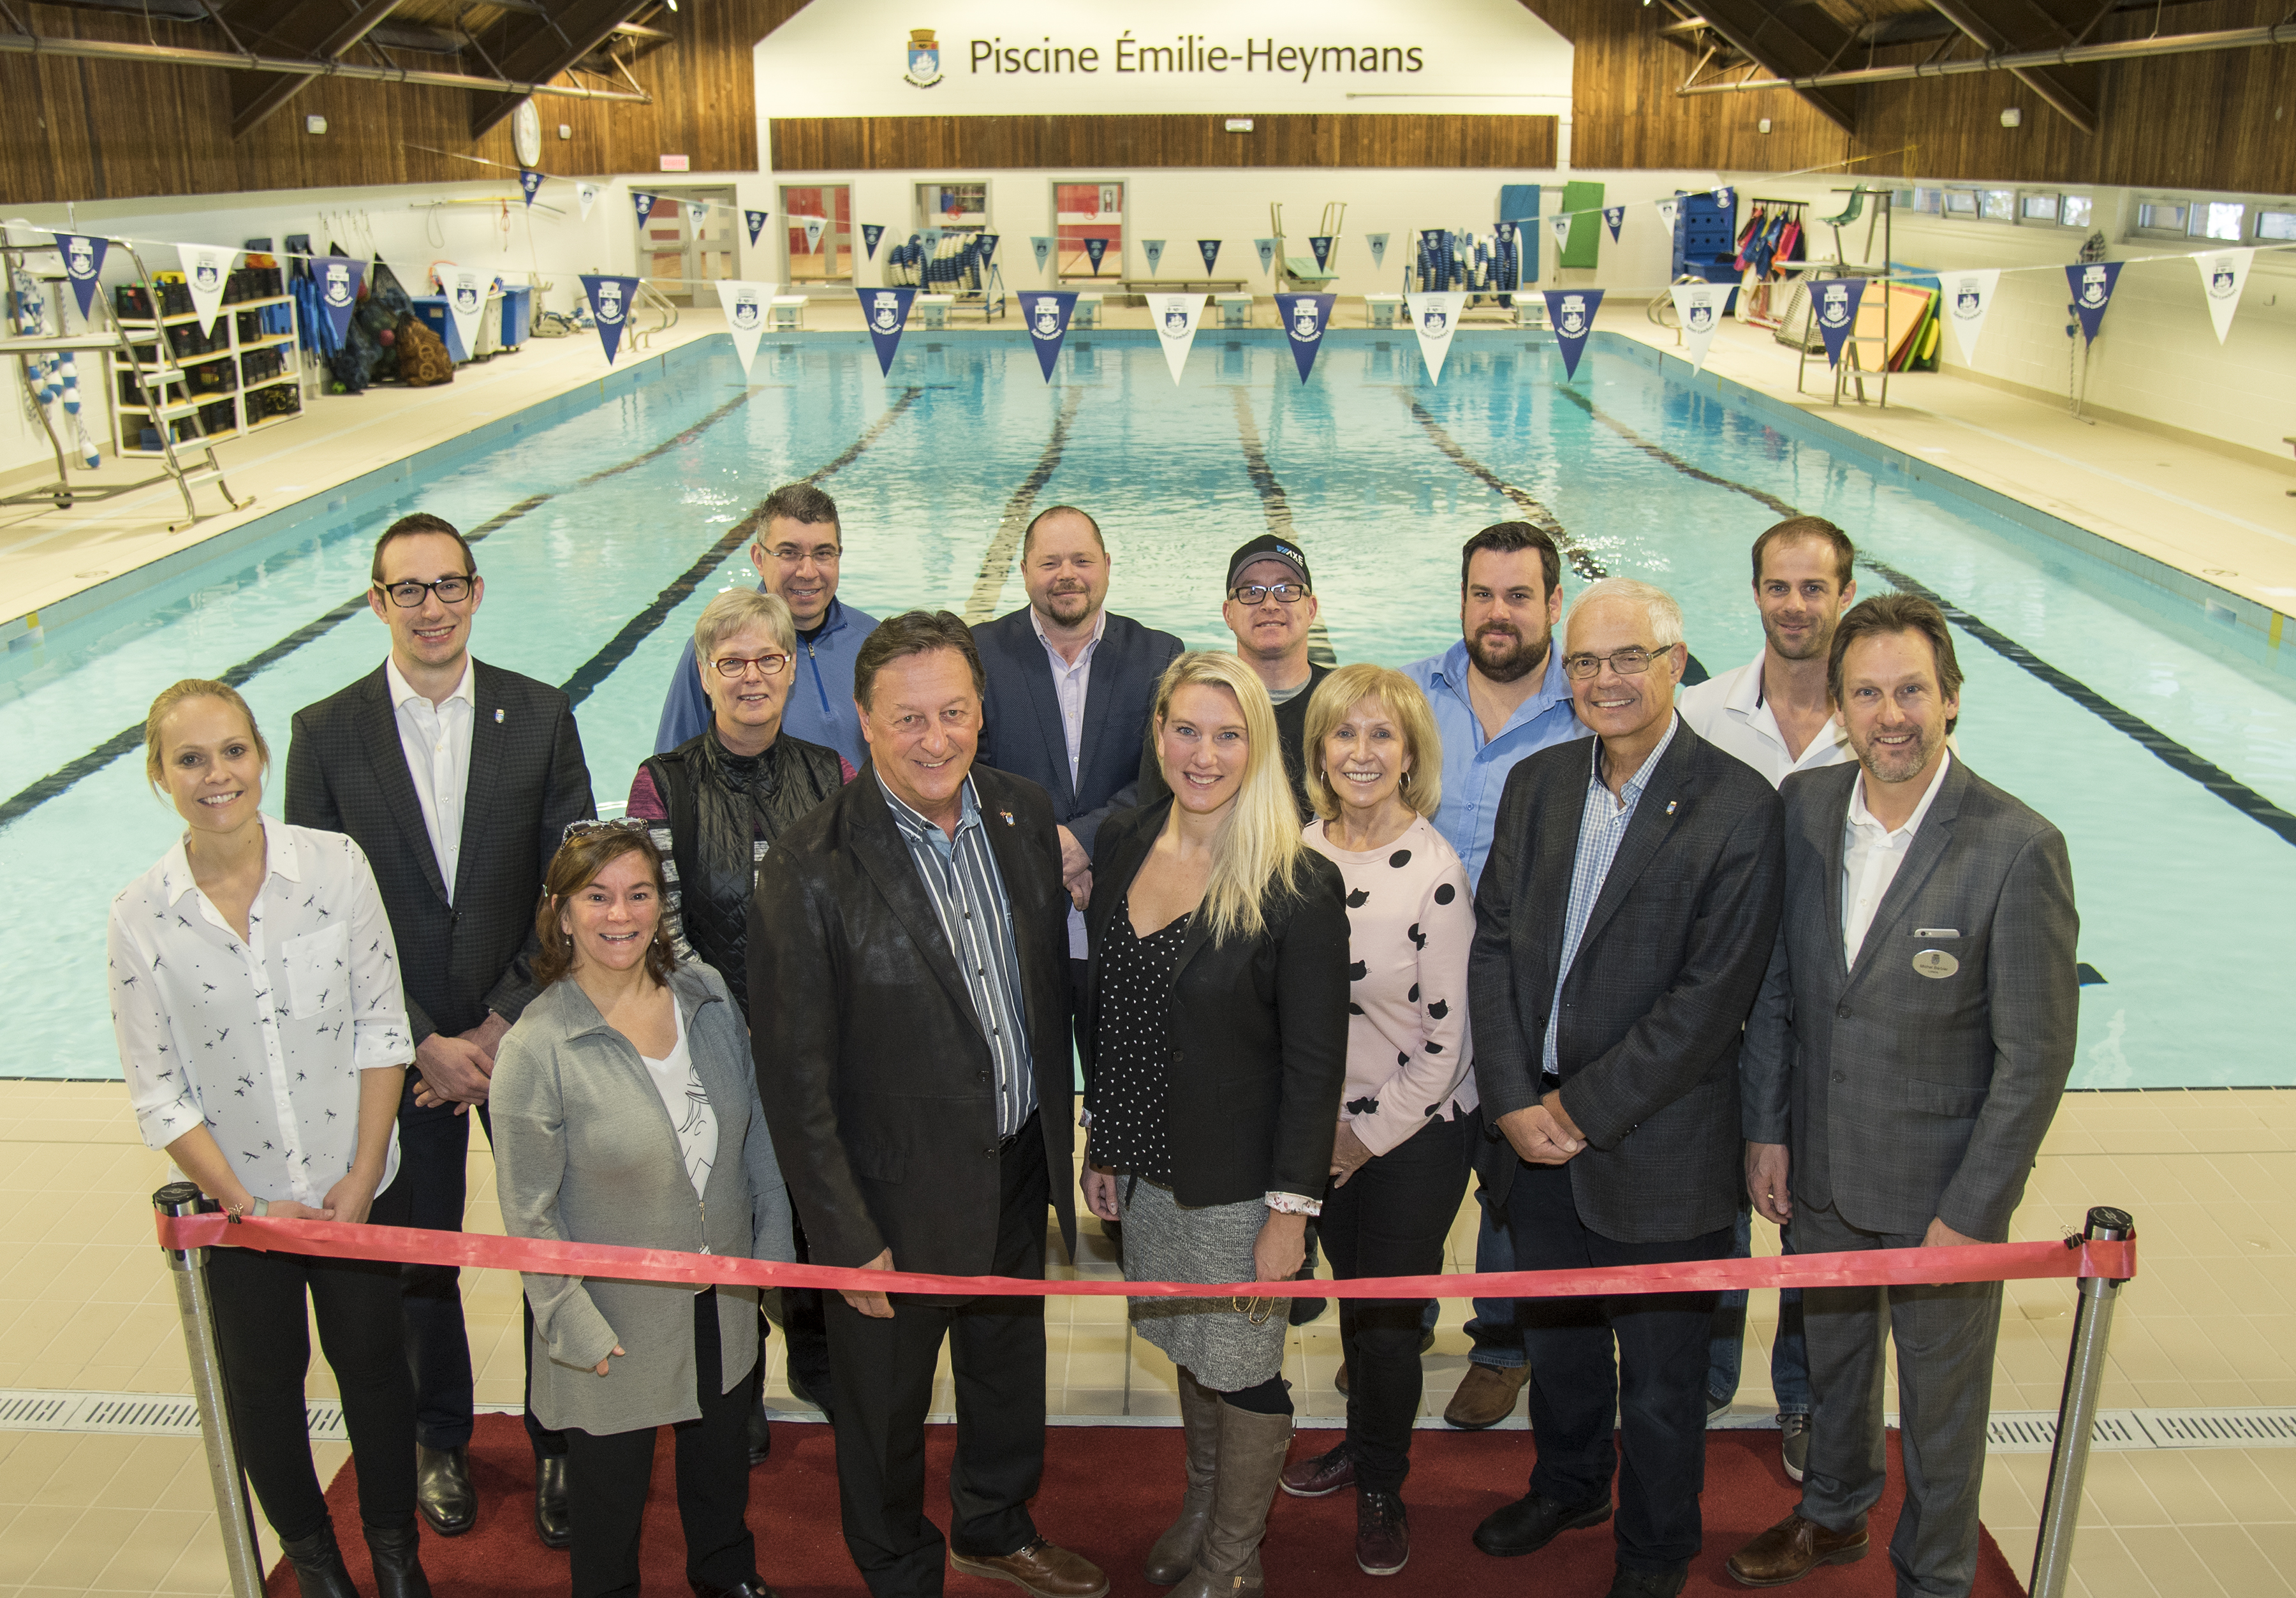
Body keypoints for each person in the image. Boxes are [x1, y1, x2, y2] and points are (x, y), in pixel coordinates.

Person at [749, 612, 1106, 1598]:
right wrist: (843, 1234)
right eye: (908, 719)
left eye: (953, 712)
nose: (936, 738)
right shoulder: (810, 865)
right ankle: (898, 1567)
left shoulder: (1021, 814)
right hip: (887, 1198)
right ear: (863, 721)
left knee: (1006, 1375)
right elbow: (794, 1078)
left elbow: (1043, 993)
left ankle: (994, 1524)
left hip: (1012, 1162)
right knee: (884, 1412)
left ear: (982, 711)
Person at [1727, 594, 2078, 1597]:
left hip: (1941, 1193)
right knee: (1834, 1369)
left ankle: (1933, 1573)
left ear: (1952, 700)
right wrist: (1767, 1130)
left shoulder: (2016, 847)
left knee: (1941, 1404)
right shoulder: (1805, 807)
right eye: (1869, 692)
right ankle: (1833, 1515)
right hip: (1825, 1170)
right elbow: (1780, 990)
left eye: (1912, 691)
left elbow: (2035, 1056)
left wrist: (1971, 1213)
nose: (1893, 715)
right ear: (1839, 704)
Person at [1468, 579, 1785, 1598]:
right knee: (1559, 1350)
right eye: (1587, 663)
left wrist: (1579, 1109)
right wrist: (1517, 1098)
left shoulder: (1739, 807)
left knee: (1658, 1384)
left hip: (1655, 1145)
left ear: (1676, 661)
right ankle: (1569, 1483)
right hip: (1532, 1129)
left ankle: (1654, 1551)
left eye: (1628, 659)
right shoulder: (1541, 783)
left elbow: (1709, 1001)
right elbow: (1497, 947)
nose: (1606, 681)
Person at [287, 512, 594, 1544]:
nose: (431, 608)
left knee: (550, 1245)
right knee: (422, 1256)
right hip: (396, 1049)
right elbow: (315, 913)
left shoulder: (542, 714)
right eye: (407, 590)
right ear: (377, 603)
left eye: (448, 586)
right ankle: (440, 1439)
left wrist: (505, 1019)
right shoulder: (324, 734)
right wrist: (421, 1037)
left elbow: (571, 884)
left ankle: (560, 1442)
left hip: (524, 1033)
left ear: (476, 592)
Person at [110, 681, 432, 1598]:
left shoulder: (333, 867)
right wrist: (244, 1204)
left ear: (260, 755)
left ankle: (396, 1553)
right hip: (239, 1208)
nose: (219, 775)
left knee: (374, 1371)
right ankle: (320, 1565)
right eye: (191, 758)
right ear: (159, 774)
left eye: (234, 751)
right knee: (264, 1388)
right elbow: (159, 1091)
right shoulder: (143, 915)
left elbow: (381, 1027)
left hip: (354, 1184)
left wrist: (364, 1174)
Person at [1080, 651, 1350, 1598]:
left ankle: (1235, 1560)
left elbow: (1316, 1067)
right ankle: (1201, 1509)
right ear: (1159, 734)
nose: (1204, 753)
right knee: (1191, 1349)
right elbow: (1111, 1010)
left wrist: (1290, 1212)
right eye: (1186, 730)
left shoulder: (1296, 882)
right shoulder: (1130, 837)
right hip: (1153, 1166)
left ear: (1258, 744)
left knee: (1244, 1369)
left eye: (1228, 734)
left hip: (1244, 1183)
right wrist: (1104, 1144)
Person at [493, 823, 795, 1598]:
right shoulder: (539, 1046)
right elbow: (529, 1215)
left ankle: (726, 1577)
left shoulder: (707, 998)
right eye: (597, 897)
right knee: (609, 1509)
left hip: (721, 1300)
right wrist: (572, 1324)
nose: (619, 915)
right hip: (612, 1320)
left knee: (721, 1474)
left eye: (638, 894)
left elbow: (755, 1133)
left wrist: (770, 1253)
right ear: (561, 913)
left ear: (662, 907)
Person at [630, 586, 850, 1444]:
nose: (751, 676)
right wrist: (727, 1021)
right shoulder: (664, 783)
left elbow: (846, 913)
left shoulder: (831, 776)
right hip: (706, 1037)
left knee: (810, 1197)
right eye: (733, 662)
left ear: (791, 670)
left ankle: (819, 1352)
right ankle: (737, 1371)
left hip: (813, 1037)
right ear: (705, 673)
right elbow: (658, 918)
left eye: (768, 659)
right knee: (721, 1201)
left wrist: (801, 1020)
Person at [1279, 665, 1478, 1577]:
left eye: (1381, 736)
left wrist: (1360, 1140)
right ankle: (1366, 1442)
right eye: (1343, 734)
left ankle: (1385, 1484)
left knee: (1389, 1322)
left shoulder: (1435, 875)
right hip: (1320, 1130)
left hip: (1410, 1133)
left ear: (1410, 755)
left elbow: (1449, 1046)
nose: (1361, 753)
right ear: (1318, 750)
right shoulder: (1296, 851)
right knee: (1354, 1310)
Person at [1677, 515, 1858, 1478]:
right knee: (1718, 1206)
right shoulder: (1703, 713)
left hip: (1833, 1018)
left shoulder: (1872, 725)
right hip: (1724, 1009)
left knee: (1813, 1212)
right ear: (1755, 594)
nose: (1796, 605)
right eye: (1780, 587)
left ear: (1844, 596)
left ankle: (1800, 1395)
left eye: (1815, 588)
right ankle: (1704, 1380)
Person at [1402, 521, 1589, 1432]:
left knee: (1514, 1181)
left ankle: (1502, 1345)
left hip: (1528, 991)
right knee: (1409, 1166)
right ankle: (1398, 1329)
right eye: (1484, 594)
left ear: (1555, 605)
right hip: (1416, 992)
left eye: (1519, 596)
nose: (1499, 614)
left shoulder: (1589, 708)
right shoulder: (1411, 695)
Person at [973, 504, 1184, 1000]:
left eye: (1082, 561)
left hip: (1126, 909)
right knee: (1035, 1075)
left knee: (1118, 1075)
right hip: (1017, 914)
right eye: (1050, 563)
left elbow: (1166, 774)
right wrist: (1047, 846)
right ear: (1024, 571)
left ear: (1107, 565)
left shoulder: (1159, 655)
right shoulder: (979, 652)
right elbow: (970, 770)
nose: (1066, 575)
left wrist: (1086, 840)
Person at [657, 482, 879, 769]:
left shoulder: (874, 642)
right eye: (789, 553)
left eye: (823, 553)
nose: (808, 572)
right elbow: (673, 768)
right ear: (759, 559)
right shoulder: (720, 649)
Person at [1138, 535, 1331, 821]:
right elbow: (1153, 820)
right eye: (1251, 592)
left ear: (1311, 608)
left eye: (1286, 589)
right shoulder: (1191, 707)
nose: (1269, 604)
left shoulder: (1343, 703)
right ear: (1228, 614)